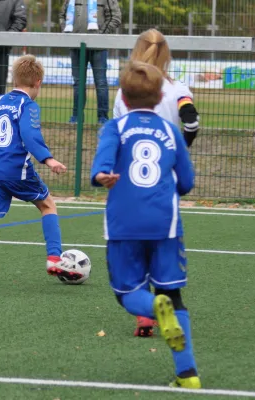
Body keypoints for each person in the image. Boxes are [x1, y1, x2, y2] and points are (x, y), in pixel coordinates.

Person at [91, 61, 200, 389]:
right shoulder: (169, 131)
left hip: (124, 223)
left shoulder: (115, 127)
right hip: (165, 225)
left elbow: (101, 167)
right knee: (174, 295)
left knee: (126, 294)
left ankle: (153, 307)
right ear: (159, 97)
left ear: (122, 95)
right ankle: (188, 374)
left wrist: (102, 177)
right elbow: (187, 182)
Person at [0, 54, 82, 296]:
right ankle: (54, 258)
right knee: (47, 205)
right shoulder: (29, 105)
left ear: (14, 79)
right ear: (38, 82)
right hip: (16, 170)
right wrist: (48, 159)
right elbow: (29, 134)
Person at [113, 29, 201, 337]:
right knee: (161, 249)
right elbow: (191, 120)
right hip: (164, 187)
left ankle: (145, 313)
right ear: (167, 53)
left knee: (132, 252)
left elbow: (117, 138)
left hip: (128, 188)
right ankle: (171, 310)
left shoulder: (124, 93)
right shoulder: (177, 88)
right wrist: (179, 151)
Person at [59, 0, 121, 125]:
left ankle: (102, 118)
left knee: (101, 83)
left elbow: (115, 17)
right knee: (78, 83)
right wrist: (67, 32)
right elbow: (62, 15)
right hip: (76, 46)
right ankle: (76, 117)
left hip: (98, 47)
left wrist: (100, 35)